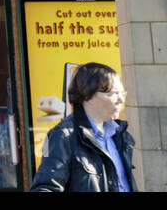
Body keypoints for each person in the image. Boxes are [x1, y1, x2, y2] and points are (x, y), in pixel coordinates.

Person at [30, 62, 135, 192]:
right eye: (114, 94)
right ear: (88, 96)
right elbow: (45, 188)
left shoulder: (118, 134)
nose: (121, 100)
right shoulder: (63, 135)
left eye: (122, 94)